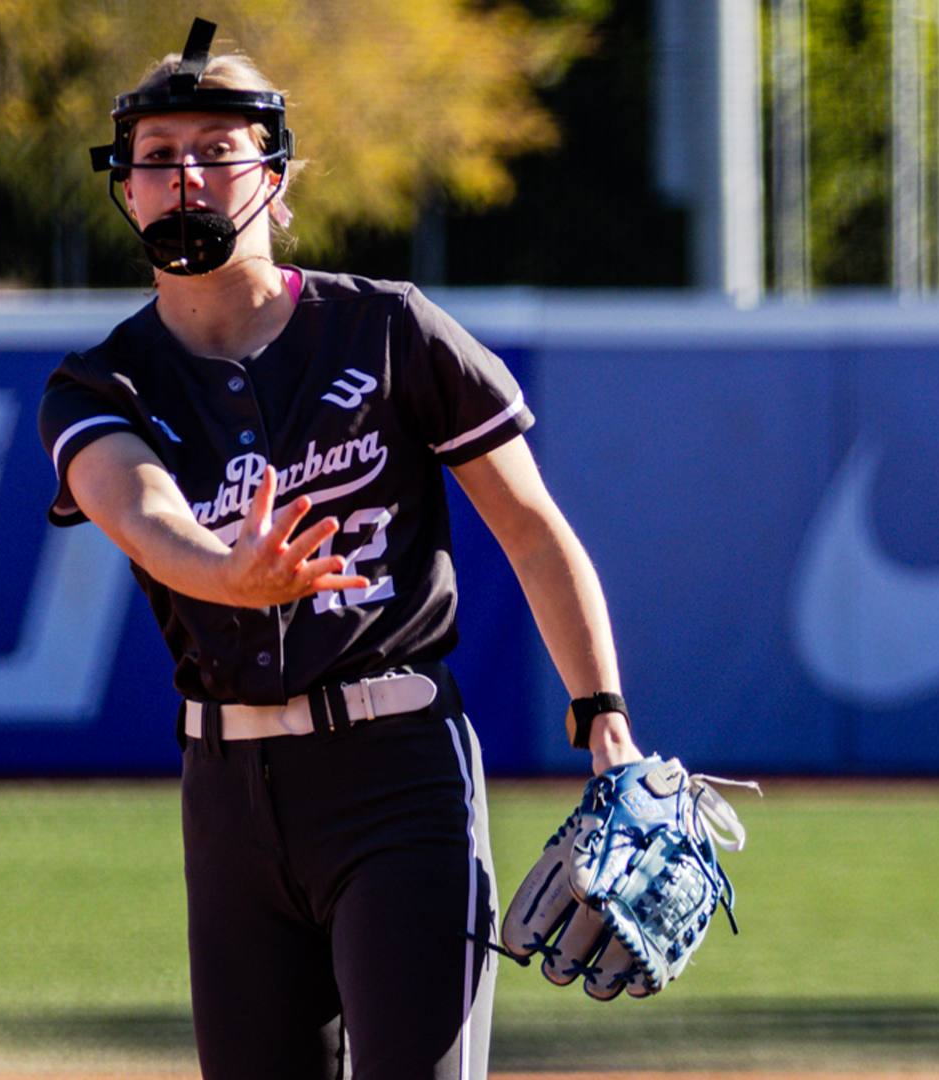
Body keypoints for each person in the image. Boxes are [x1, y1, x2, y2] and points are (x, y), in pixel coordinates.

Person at [37, 19, 643, 1079]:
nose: (185, 176)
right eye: (158, 155)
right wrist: (229, 576)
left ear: (273, 177)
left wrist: (605, 718)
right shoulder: (102, 382)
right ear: (124, 188)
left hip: (396, 774)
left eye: (217, 150)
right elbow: (138, 513)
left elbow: (533, 528)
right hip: (226, 790)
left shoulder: (391, 330)